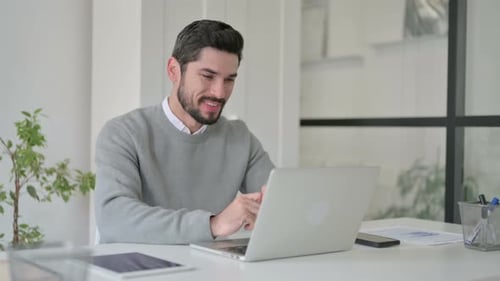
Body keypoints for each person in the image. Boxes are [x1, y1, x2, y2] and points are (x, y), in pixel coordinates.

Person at [94, 19, 275, 244]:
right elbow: (114, 218)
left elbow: (276, 202)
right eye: (207, 76)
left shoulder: (240, 138)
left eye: (229, 80)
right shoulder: (123, 133)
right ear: (173, 71)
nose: (219, 92)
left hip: (207, 269)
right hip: (139, 270)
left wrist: (272, 212)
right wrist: (213, 224)